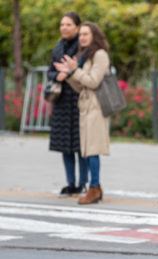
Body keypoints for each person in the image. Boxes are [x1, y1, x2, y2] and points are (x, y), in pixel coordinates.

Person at [53, 21, 110, 205]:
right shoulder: (87, 56)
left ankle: (94, 187)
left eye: (86, 34)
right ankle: (96, 187)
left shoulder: (100, 55)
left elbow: (93, 82)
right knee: (87, 149)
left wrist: (75, 70)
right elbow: (81, 85)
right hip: (85, 106)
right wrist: (69, 74)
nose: (82, 38)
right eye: (82, 35)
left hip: (96, 107)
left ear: (94, 36)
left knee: (93, 149)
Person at [47, 12, 88, 197]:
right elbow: (49, 72)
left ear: (77, 28)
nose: (64, 27)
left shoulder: (83, 48)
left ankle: (83, 183)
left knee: (82, 146)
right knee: (65, 145)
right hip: (62, 103)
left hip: (79, 99)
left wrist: (71, 72)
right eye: (62, 24)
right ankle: (70, 183)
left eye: (68, 24)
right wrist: (58, 75)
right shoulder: (57, 48)